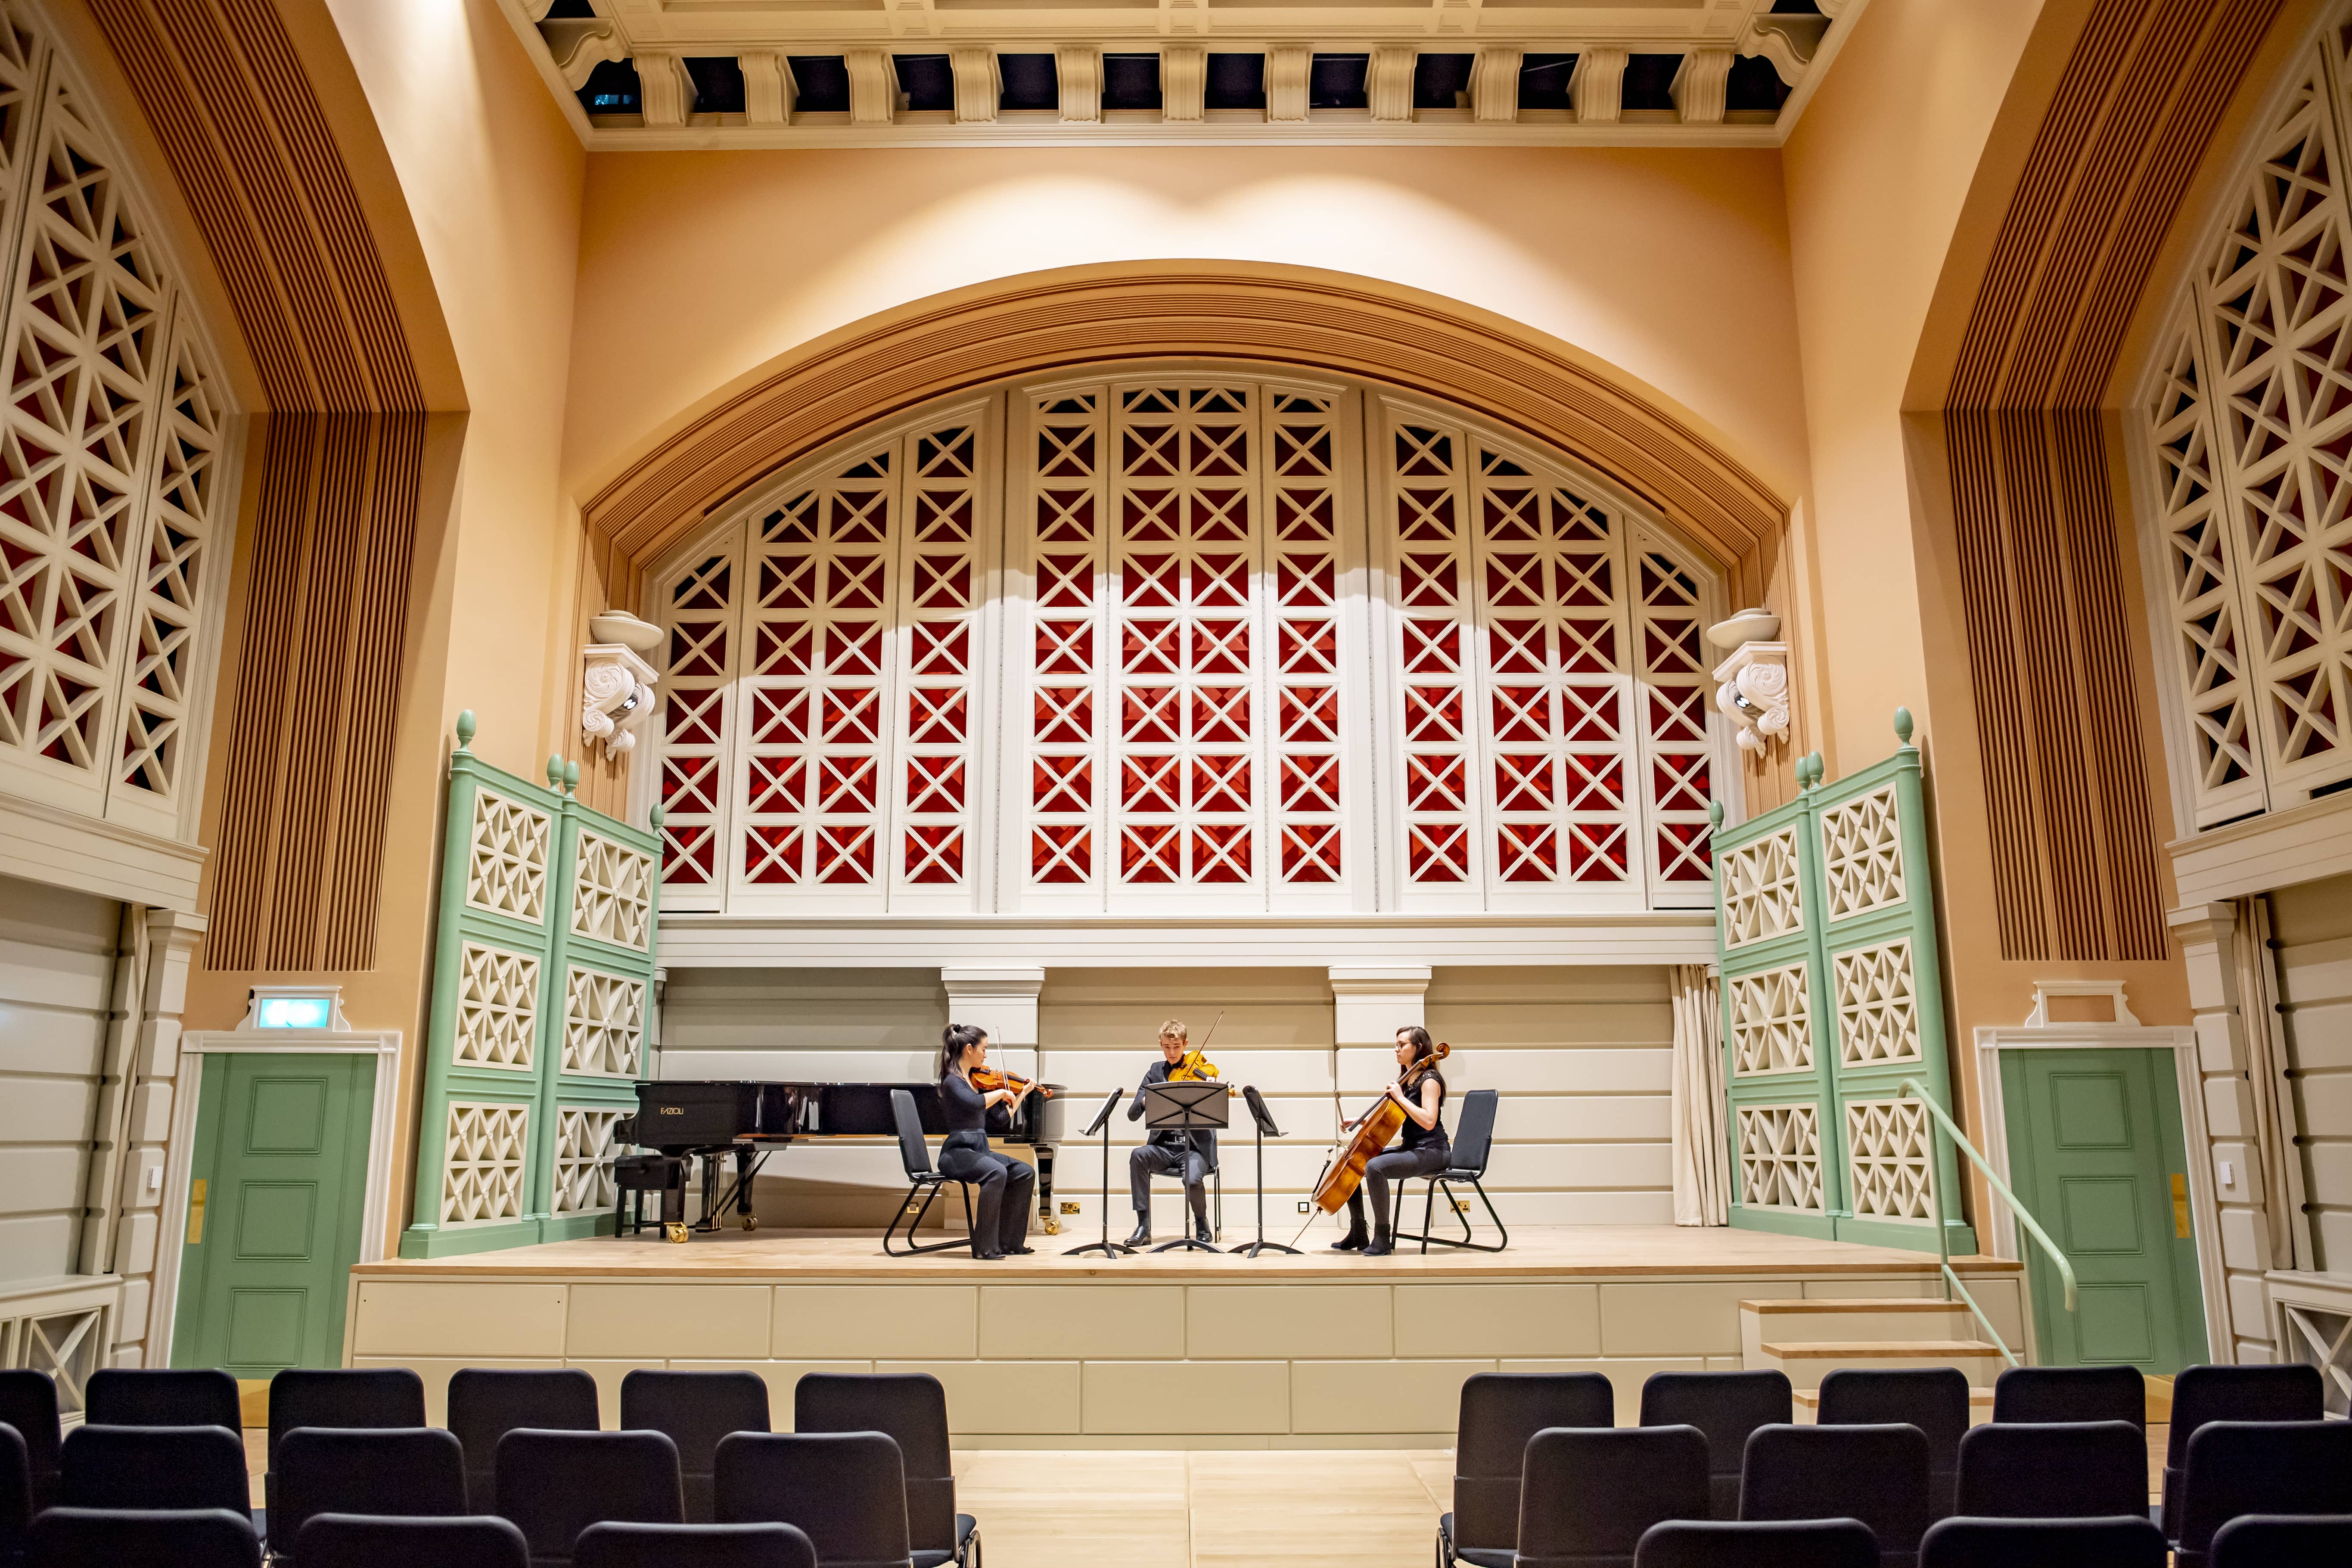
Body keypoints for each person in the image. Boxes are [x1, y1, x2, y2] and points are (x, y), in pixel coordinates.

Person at [1334, 1026, 1448, 1258]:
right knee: (1356, 1159)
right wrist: (1358, 1121)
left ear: (1418, 1048)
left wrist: (1399, 1097)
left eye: (1401, 1045)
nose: (1396, 1049)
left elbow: (1428, 1120)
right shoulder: (1406, 1081)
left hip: (1433, 1150)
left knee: (1375, 1167)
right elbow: (1391, 1116)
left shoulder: (1430, 1080)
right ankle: (1358, 1231)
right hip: (1413, 1148)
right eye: (1396, 1044)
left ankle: (1383, 1237)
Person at [937, 1023, 1038, 1260]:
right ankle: (984, 1248)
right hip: (957, 1152)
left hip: (979, 1150)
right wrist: (1002, 1093)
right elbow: (974, 1104)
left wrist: (1023, 1093)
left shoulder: (977, 1083)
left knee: (1025, 1172)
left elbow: (1001, 1119)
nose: (986, 1054)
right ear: (970, 1049)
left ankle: (1010, 1243)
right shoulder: (953, 1082)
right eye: (984, 1049)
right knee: (996, 1173)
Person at [1125, 1018, 1216, 1247]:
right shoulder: (1156, 1072)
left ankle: (1202, 1223)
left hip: (1194, 1149)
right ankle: (1143, 1227)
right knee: (1139, 1155)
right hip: (1164, 1148)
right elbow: (1133, 1113)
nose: (1172, 1052)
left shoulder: (1199, 1070)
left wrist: (1214, 1089)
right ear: (1161, 1045)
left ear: (1186, 1044)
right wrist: (1147, 1100)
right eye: (1167, 1047)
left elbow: (1215, 1110)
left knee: (1192, 1179)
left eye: (1177, 1047)